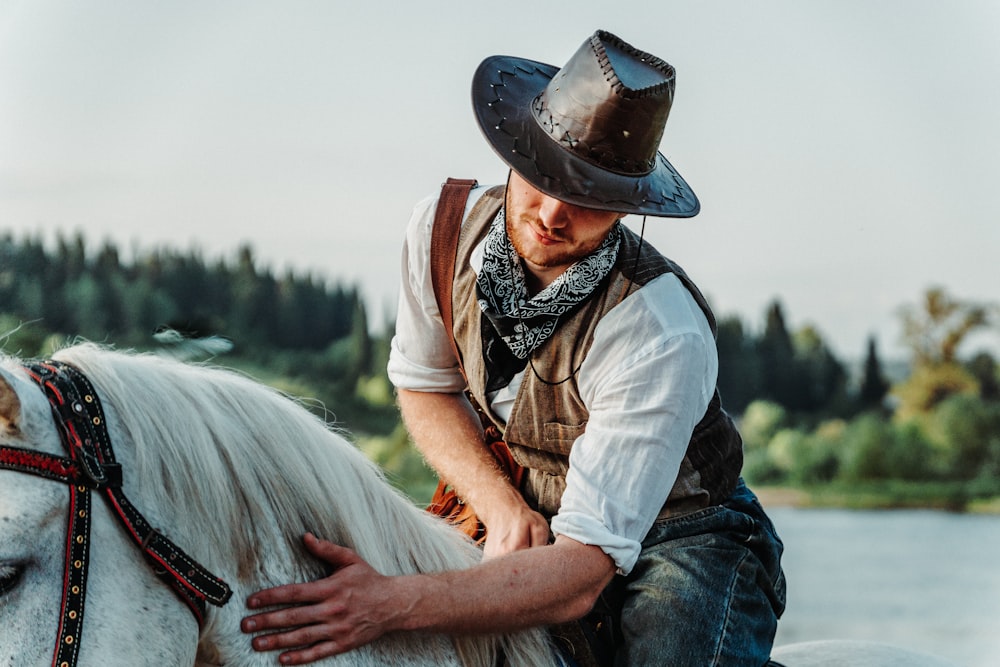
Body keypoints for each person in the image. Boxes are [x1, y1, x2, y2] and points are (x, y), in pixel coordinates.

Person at [241, 29, 786, 666]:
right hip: (529, 497)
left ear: (627, 206)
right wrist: (498, 505)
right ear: (519, 151)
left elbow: (583, 568)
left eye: (590, 198)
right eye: (545, 177)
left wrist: (386, 602)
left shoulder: (658, 329)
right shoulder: (437, 231)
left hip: (684, 534)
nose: (554, 213)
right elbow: (425, 385)